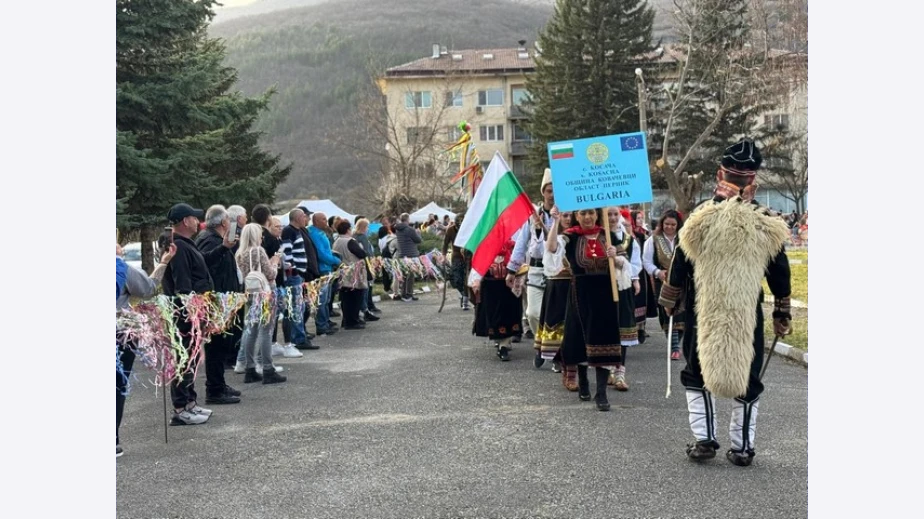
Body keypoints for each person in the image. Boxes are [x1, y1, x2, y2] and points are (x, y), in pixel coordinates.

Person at [659, 139, 791, 466]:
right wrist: (782, 311)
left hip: (704, 309)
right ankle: (743, 447)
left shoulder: (702, 215)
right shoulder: (765, 220)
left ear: (721, 173)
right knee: (749, 373)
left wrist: (670, 298)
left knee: (696, 370)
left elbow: (679, 262)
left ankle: (705, 440)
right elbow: (779, 271)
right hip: (747, 313)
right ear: (753, 178)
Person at [546, 207, 625, 411]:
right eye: (582, 213)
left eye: (591, 213)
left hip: (606, 294)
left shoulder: (608, 235)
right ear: (576, 216)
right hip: (580, 293)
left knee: (605, 339)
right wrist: (555, 222)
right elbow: (552, 248)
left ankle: (601, 392)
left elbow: (625, 264)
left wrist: (615, 257)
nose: (587, 217)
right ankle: (583, 380)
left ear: (597, 214)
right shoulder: (571, 236)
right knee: (580, 338)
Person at [116, 241, 176, 456]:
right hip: (119, 333)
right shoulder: (120, 269)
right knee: (116, 384)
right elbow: (148, 289)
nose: (120, 246)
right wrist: (164, 262)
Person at [162, 203, 215, 425]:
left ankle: (190, 402)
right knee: (183, 360)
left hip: (193, 310)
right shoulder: (179, 247)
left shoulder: (186, 244)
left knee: (191, 359)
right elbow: (182, 283)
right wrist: (191, 311)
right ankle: (180, 408)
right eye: (194, 218)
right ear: (185, 221)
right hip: (184, 313)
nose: (197, 222)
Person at [507, 168, 556, 368]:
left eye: (556, 191)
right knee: (533, 312)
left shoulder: (565, 215)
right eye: (549, 191)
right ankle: (540, 342)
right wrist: (512, 270)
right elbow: (521, 244)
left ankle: (555, 353)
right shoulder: (533, 216)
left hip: (558, 272)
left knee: (556, 314)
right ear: (543, 192)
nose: (552, 195)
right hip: (536, 270)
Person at [194, 205, 243, 405]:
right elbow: (203, 263)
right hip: (216, 301)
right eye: (228, 220)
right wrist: (223, 247)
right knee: (216, 346)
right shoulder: (209, 239)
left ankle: (219, 384)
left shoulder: (215, 239)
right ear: (223, 222)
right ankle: (214, 389)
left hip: (224, 300)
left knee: (222, 345)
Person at [236, 223, 287, 385]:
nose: (262, 237)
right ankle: (268, 368)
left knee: (251, 330)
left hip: (251, 293)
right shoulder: (258, 251)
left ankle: (250, 368)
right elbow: (270, 274)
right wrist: (275, 262)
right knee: (266, 331)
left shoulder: (240, 253)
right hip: (265, 293)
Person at [471, 238, 523, 361]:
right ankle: (500, 341)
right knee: (493, 317)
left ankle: (503, 346)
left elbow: (521, 262)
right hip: (490, 287)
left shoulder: (513, 246)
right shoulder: (484, 245)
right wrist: (476, 280)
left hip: (508, 287)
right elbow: (478, 265)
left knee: (508, 316)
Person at [643, 210, 685, 360]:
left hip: (682, 282)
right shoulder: (653, 240)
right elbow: (646, 261)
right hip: (663, 281)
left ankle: (676, 345)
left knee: (682, 315)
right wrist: (657, 272)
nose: (669, 227)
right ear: (662, 223)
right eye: (667, 224)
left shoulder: (684, 238)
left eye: (673, 224)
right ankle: (674, 347)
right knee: (668, 313)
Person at [538, 210, 573, 380]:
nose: (569, 219)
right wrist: (556, 221)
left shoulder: (578, 236)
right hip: (558, 285)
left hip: (575, 285)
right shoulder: (558, 237)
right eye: (565, 215)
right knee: (556, 321)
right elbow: (551, 247)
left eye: (571, 215)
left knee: (572, 323)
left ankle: (572, 358)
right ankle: (555, 357)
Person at [332, 220, 371, 329]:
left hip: (342, 271)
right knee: (355, 298)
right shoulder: (350, 241)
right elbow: (362, 253)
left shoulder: (336, 241)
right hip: (353, 272)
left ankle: (346, 320)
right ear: (348, 229)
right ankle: (353, 321)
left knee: (345, 298)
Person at [308, 212, 342, 334]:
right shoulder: (314, 233)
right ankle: (321, 325)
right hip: (322, 269)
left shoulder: (320, 232)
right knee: (321, 299)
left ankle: (326, 321)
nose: (326, 221)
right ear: (316, 221)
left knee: (327, 298)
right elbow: (321, 254)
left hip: (327, 267)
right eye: (323, 219)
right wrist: (336, 261)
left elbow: (326, 250)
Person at [442, 213, 472, 310]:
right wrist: (443, 255)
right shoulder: (450, 230)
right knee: (456, 279)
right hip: (456, 256)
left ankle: (465, 301)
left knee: (466, 279)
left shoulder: (469, 228)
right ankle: (463, 294)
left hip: (468, 256)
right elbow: (445, 243)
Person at [353, 217, 381, 318]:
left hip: (357, 264)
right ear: (363, 227)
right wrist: (373, 261)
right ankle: (365, 309)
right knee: (366, 287)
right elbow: (367, 252)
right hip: (366, 264)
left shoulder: (354, 236)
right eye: (367, 227)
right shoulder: (362, 237)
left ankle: (364, 307)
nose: (368, 229)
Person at [394, 213, 422, 301]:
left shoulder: (398, 230)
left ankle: (404, 294)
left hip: (402, 254)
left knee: (404, 275)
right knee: (411, 276)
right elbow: (418, 240)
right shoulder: (410, 229)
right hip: (411, 255)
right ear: (408, 219)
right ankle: (409, 294)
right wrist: (418, 233)